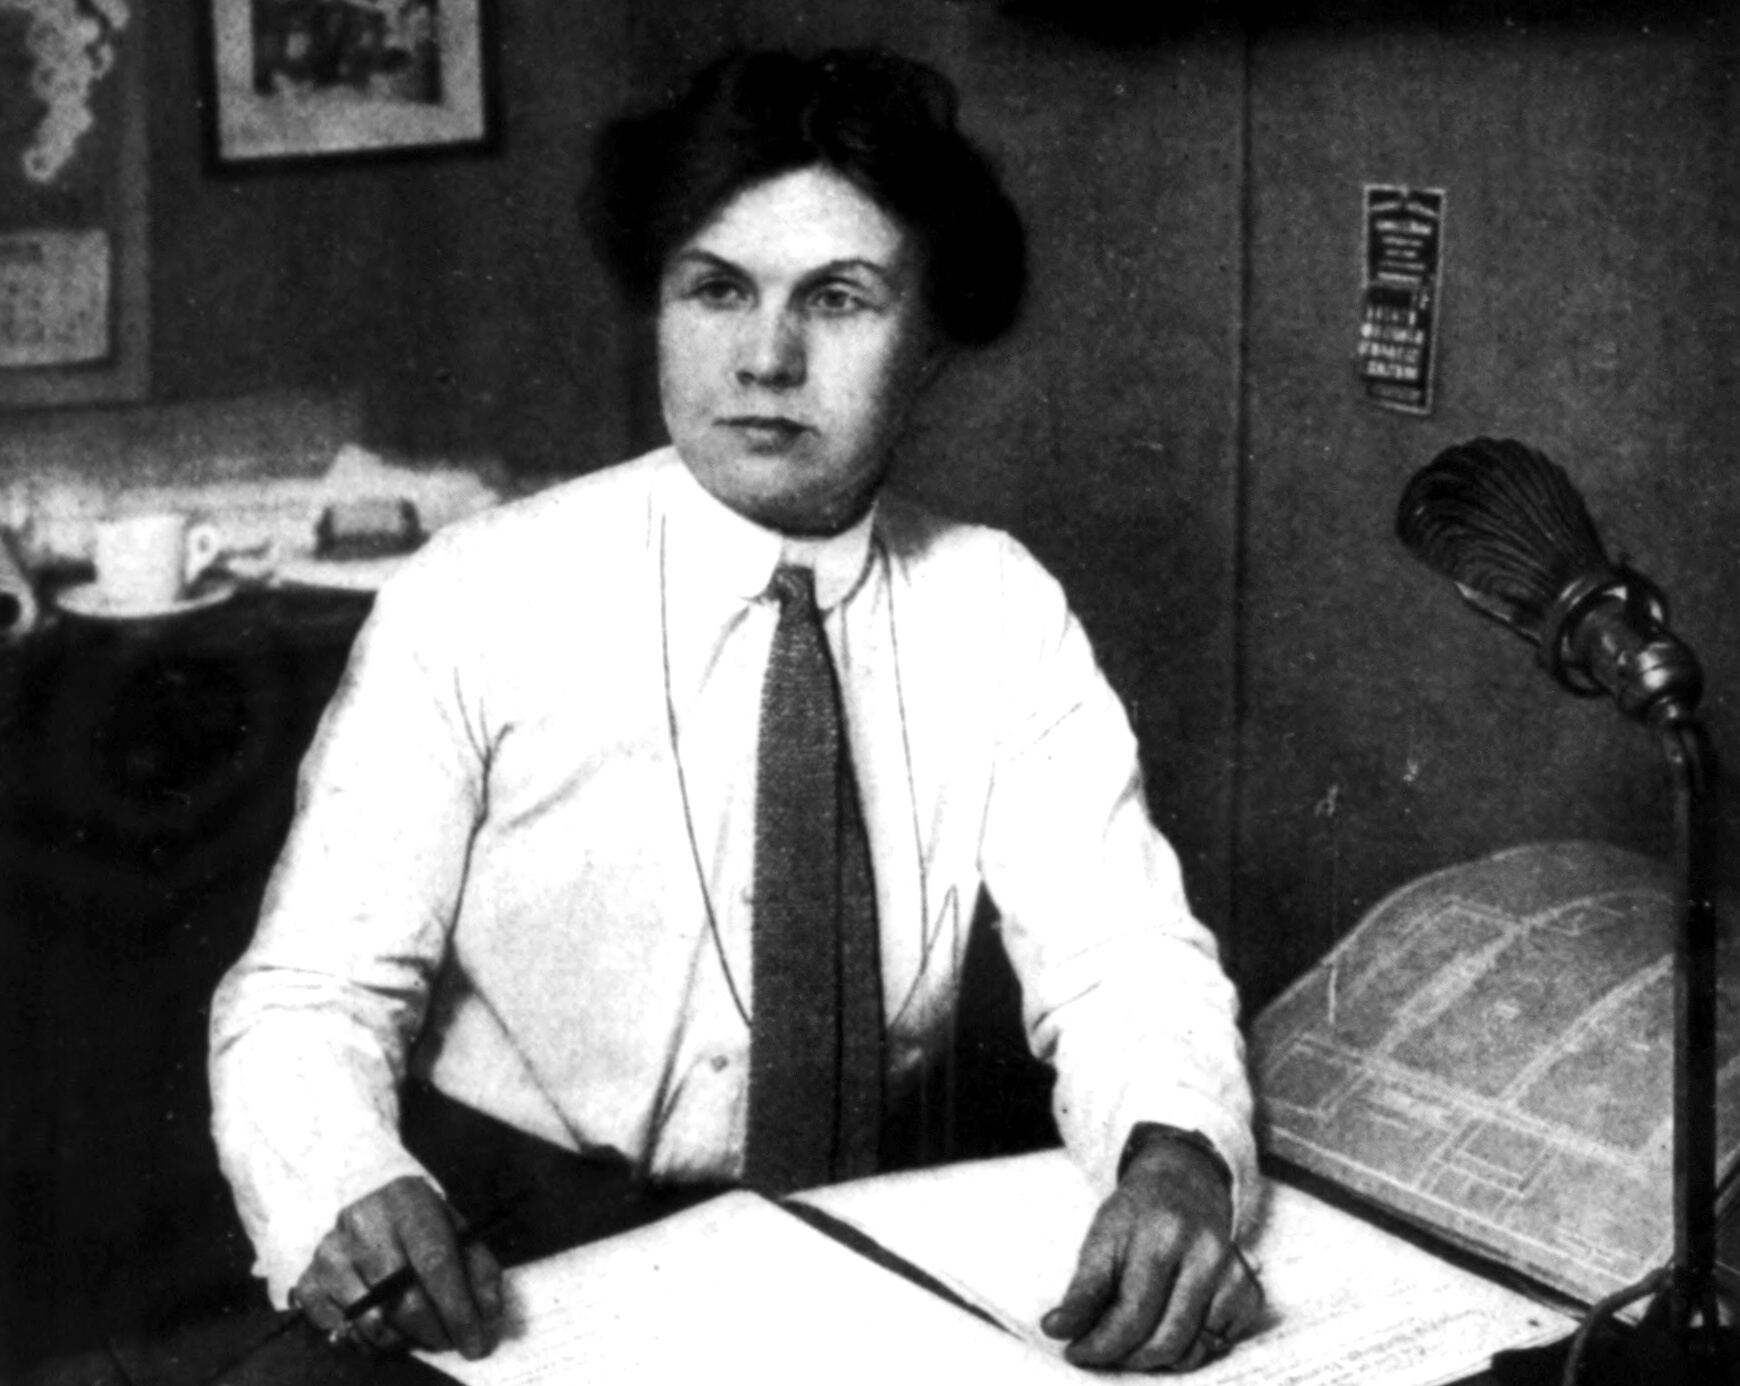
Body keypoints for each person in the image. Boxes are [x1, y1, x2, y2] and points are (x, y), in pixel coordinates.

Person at [210, 46, 1262, 1375]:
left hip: (855, 1252)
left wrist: (1175, 1159)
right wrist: (350, 1181)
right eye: (717, 289)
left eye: (841, 298)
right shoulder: (479, 592)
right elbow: (306, 998)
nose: (767, 356)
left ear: (932, 339)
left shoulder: (1000, 608)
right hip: (503, 1263)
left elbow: (1124, 963)